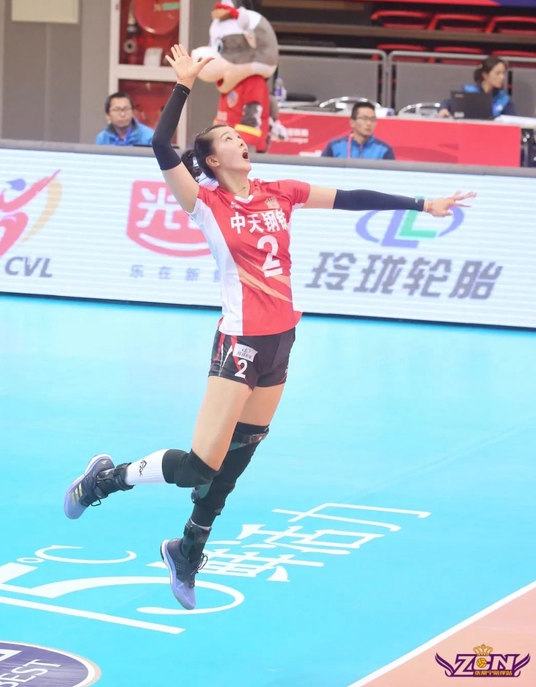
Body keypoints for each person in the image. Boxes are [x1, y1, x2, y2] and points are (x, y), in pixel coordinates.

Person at [64, 45, 475, 611]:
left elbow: (351, 198)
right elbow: (161, 146)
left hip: (281, 339)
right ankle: (106, 479)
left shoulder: (280, 192)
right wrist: (183, 85)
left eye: (239, 135)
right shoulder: (204, 203)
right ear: (210, 160)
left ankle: (187, 549)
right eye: (228, 138)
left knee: (239, 457)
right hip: (239, 341)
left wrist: (423, 203)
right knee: (200, 464)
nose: (241, 141)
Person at [438, 56, 516, 119]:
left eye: (503, 73)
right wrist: (443, 109)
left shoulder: (504, 99)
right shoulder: (468, 92)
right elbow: (447, 103)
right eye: (497, 73)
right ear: (485, 75)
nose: (502, 77)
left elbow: (512, 120)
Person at [321, 101, 395, 160]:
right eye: (364, 118)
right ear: (352, 122)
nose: (369, 123)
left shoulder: (384, 150)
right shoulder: (335, 146)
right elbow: (321, 171)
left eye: (372, 119)